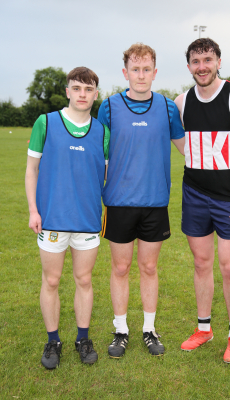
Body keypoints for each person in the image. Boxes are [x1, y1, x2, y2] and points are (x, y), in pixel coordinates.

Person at [175, 38, 230, 363]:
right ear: (189, 67)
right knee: (201, 264)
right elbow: (182, 143)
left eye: (208, 60)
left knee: (229, 267)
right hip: (195, 195)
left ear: (218, 62)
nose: (202, 66)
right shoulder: (181, 102)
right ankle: (204, 329)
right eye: (196, 61)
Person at [97, 43, 185, 358]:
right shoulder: (108, 106)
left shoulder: (167, 108)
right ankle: (121, 330)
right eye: (135, 69)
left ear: (155, 72)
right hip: (119, 202)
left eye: (146, 69)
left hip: (155, 202)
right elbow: (99, 151)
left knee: (149, 266)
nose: (141, 75)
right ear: (125, 73)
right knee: (120, 267)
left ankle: (149, 329)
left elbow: (187, 149)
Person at [25, 67, 107, 369]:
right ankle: (53, 340)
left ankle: (83, 338)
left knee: (84, 279)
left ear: (96, 94)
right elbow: (31, 170)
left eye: (88, 89)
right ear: (68, 91)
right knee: (52, 280)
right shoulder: (45, 123)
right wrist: (34, 210)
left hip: (87, 221)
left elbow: (106, 176)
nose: (82, 94)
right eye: (77, 88)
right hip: (52, 221)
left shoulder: (102, 131)